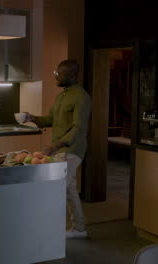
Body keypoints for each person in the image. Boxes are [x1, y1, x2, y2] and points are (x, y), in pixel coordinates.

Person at [25, 59, 91, 239]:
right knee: (68, 188)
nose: (55, 76)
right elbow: (49, 120)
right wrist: (32, 118)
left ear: (71, 75)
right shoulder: (61, 96)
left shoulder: (81, 97)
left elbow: (79, 128)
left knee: (55, 186)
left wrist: (55, 145)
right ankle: (79, 228)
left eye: (59, 74)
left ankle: (48, 230)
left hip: (72, 149)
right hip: (61, 150)